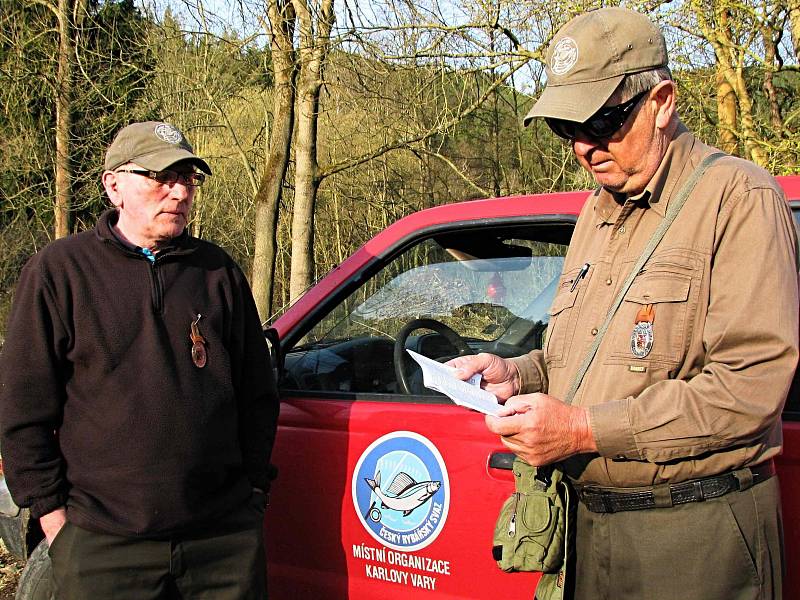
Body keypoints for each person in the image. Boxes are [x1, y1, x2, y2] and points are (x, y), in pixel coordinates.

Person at [451, 8, 798, 600]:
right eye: (568, 128)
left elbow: (750, 387)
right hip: (589, 531)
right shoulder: (596, 211)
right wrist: (515, 372)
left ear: (662, 101)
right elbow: (578, 353)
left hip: (693, 539)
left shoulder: (738, 197)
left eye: (604, 121)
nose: (585, 147)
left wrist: (583, 430)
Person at [0, 121, 279, 599]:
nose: (178, 192)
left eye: (187, 179)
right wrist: (54, 519)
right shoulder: (60, 271)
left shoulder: (217, 272)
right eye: (160, 177)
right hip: (102, 543)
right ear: (114, 185)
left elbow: (257, 393)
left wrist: (252, 494)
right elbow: (22, 408)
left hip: (221, 543)